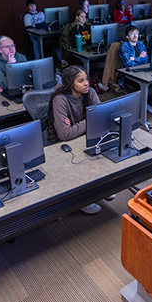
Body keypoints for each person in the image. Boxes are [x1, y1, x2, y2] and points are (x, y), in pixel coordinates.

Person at [47, 66, 104, 215]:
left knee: (103, 151)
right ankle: (83, 199)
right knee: (79, 162)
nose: (86, 83)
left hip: (82, 136)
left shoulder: (89, 92)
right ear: (70, 83)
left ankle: (102, 190)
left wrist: (88, 122)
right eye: (81, 81)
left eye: (86, 79)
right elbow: (65, 134)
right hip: (63, 144)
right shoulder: (60, 100)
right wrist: (91, 119)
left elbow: (102, 116)